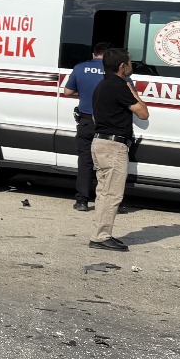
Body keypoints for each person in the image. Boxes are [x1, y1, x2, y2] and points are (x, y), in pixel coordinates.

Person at [88, 47, 148, 252]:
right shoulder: (118, 86)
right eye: (130, 63)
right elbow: (143, 113)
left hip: (100, 142)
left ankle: (101, 234)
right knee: (112, 194)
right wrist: (132, 90)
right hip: (113, 146)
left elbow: (95, 117)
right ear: (122, 67)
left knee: (104, 193)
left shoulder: (101, 86)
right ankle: (101, 237)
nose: (132, 66)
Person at [61, 42, 111, 212]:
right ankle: (109, 202)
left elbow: (67, 92)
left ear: (93, 54)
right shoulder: (115, 70)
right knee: (108, 163)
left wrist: (83, 93)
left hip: (86, 121)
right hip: (108, 123)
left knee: (85, 162)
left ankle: (82, 201)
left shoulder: (80, 68)